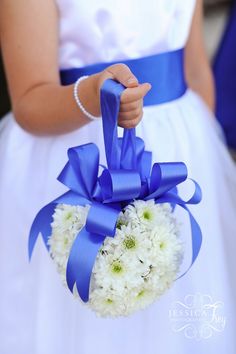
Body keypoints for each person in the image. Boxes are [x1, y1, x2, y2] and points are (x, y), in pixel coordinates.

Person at [0, 0, 235, 353]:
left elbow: (196, 69)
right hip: (78, 154)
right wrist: (96, 96)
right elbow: (29, 101)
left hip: (178, 151)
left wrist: (200, 153)